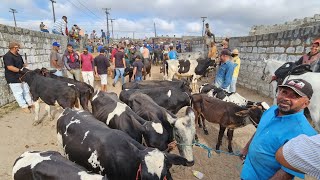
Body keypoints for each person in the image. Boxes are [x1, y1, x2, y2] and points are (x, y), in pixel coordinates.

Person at [240, 79, 317, 180]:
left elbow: (287, 172)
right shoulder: (272, 110)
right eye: (284, 92)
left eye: (295, 96)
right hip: (248, 171)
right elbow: (260, 130)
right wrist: (246, 149)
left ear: (306, 103)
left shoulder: (305, 135)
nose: (285, 98)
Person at [3, 42, 33, 113]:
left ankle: (30, 103)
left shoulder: (18, 55)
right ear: (14, 47)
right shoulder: (7, 56)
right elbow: (10, 67)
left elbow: (22, 64)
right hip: (12, 77)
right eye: (18, 48)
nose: (19, 49)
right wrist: (20, 71)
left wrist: (24, 65)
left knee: (26, 90)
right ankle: (24, 106)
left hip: (21, 76)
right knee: (18, 92)